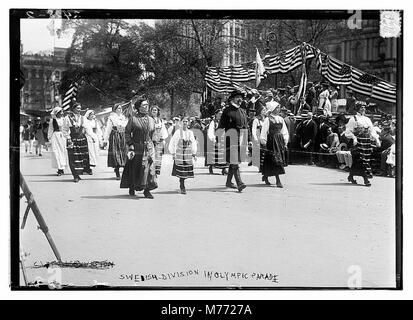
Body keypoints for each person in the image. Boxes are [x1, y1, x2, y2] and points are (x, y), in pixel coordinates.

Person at [120, 98, 157, 198]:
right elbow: (127, 132)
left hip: (148, 147)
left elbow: (153, 133)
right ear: (138, 107)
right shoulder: (133, 119)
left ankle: (147, 190)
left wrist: (154, 143)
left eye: (147, 105)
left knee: (148, 168)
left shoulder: (151, 119)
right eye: (144, 105)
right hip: (136, 147)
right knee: (135, 167)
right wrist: (130, 144)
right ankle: (132, 186)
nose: (146, 107)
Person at [218, 89, 249, 192]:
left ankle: (228, 182)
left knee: (233, 162)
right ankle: (239, 183)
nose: (240, 99)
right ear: (232, 99)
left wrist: (248, 140)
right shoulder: (227, 111)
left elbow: (246, 127)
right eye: (237, 97)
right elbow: (221, 126)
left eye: (241, 97)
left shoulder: (242, 111)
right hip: (230, 139)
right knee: (234, 161)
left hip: (240, 140)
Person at [344, 101, 381, 186]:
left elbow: (372, 131)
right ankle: (366, 179)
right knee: (361, 161)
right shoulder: (353, 119)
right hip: (358, 143)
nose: (363, 109)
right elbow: (348, 132)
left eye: (364, 107)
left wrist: (376, 139)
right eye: (361, 107)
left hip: (366, 143)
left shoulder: (367, 119)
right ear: (357, 108)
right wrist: (354, 138)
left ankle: (351, 176)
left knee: (364, 160)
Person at [260, 104, 289, 187]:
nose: (278, 109)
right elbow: (264, 131)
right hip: (271, 141)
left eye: (278, 108)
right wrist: (263, 141)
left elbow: (284, 131)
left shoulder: (281, 119)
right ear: (272, 109)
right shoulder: (267, 119)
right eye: (276, 108)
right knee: (275, 159)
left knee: (273, 160)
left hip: (279, 141)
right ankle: (278, 180)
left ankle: (265, 176)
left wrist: (285, 140)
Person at [63, 103, 92, 182]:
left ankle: (80, 173)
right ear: (73, 109)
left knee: (82, 157)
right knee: (73, 157)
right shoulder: (67, 118)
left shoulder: (83, 118)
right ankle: (75, 175)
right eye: (77, 108)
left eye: (80, 108)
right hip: (72, 139)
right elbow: (64, 129)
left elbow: (88, 129)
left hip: (82, 139)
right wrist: (68, 138)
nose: (79, 110)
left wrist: (92, 137)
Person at [169, 117, 198, 194]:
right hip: (180, 153)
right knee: (181, 171)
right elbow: (173, 142)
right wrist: (173, 153)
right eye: (183, 121)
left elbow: (193, 143)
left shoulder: (190, 132)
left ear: (188, 123)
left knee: (185, 170)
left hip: (187, 153)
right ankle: (182, 186)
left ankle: (182, 184)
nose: (185, 123)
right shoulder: (178, 132)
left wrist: (194, 153)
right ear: (181, 123)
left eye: (186, 121)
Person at [103, 103, 128, 180]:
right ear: (115, 109)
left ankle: (124, 172)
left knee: (124, 154)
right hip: (115, 136)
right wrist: (105, 139)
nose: (120, 110)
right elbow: (108, 129)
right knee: (115, 153)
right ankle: (117, 171)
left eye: (121, 108)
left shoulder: (124, 117)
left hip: (123, 136)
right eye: (118, 108)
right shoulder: (111, 118)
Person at [47, 106, 68, 176]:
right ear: (57, 113)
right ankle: (59, 168)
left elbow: (66, 128)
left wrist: (68, 136)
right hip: (55, 136)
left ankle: (62, 167)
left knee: (62, 151)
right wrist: (49, 138)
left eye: (62, 112)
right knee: (56, 152)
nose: (62, 113)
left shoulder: (64, 119)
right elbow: (50, 130)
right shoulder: (52, 120)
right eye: (60, 112)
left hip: (62, 136)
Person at [207, 109, 228, 175]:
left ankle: (224, 169)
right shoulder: (213, 122)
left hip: (223, 139)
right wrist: (213, 139)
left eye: (221, 113)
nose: (220, 115)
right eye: (219, 113)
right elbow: (210, 131)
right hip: (216, 139)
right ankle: (211, 167)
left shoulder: (224, 122)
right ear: (216, 114)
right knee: (214, 154)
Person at [150, 105, 168, 175]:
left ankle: (157, 170)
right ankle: (151, 170)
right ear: (150, 112)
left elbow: (163, 130)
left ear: (158, 112)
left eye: (155, 110)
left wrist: (163, 137)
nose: (154, 111)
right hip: (152, 140)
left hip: (159, 140)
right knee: (151, 155)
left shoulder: (160, 120)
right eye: (153, 110)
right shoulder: (149, 119)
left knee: (158, 156)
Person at [251, 105, 267, 172]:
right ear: (260, 111)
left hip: (265, 138)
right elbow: (253, 130)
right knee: (259, 153)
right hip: (258, 138)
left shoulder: (266, 119)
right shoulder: (256, 120)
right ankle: (259, 166)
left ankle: (263, 166)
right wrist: (255, 138)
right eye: (263, 110)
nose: (264, 111)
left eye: (265, 110)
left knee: (264, 153)